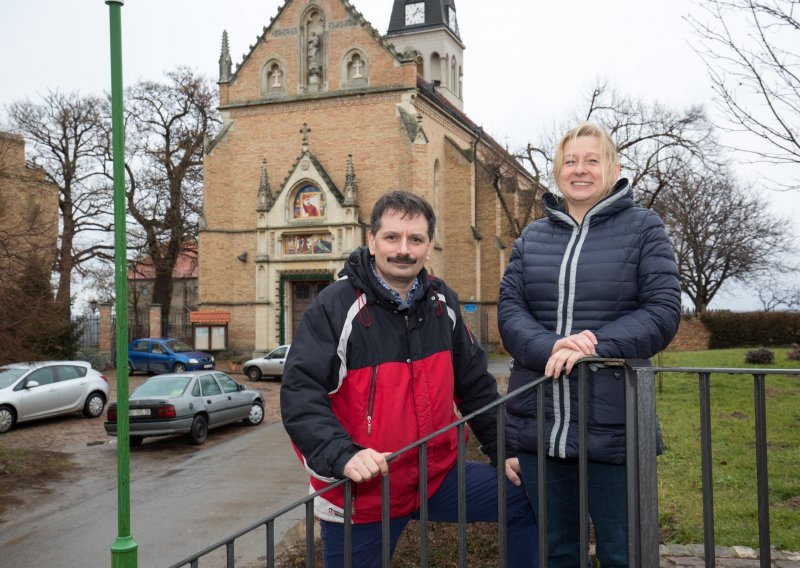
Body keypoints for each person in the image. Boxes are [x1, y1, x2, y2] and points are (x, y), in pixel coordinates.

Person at [281, 190, 537, 568]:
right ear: (371, 241)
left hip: (436, 477)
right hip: (363, 493)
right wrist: (344, 455)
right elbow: (300, 395)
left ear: (428, 246)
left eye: (415, 239)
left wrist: (504, 448)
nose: (404, 249)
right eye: (392, 237)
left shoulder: (442, 303)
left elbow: (474, 386)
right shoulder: (333, 308)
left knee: (528, 498)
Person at [498, 123, 681, 567]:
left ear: (614, 169)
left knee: (624, 553)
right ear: (558, 172)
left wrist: (592, 345)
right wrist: (551, 346)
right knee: (557, 550)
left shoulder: (644, 228)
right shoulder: (532, 237)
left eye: (591, 160)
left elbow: (662, 310)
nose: (580, 170)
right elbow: (509, 311)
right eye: (570, 161)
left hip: (614, 428)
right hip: (541, 428)